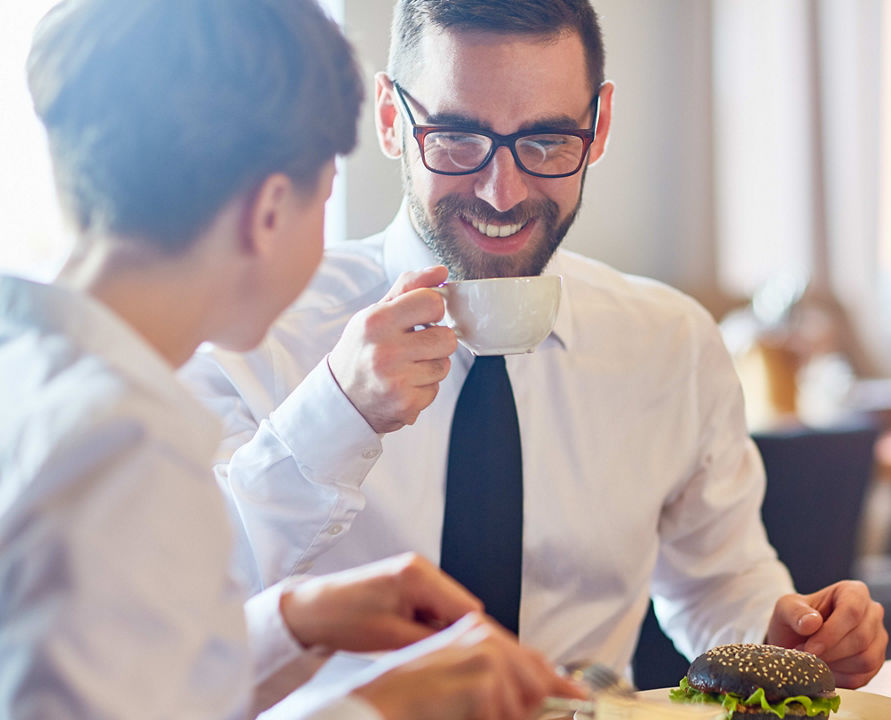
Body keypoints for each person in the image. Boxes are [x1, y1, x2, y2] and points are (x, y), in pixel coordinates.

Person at [182, 0, 889, 689]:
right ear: (394, 119)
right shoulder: (253, 328)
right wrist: (335, 412)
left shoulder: (671, 343)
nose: (502, 191)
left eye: (547, 142)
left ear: (599, 125)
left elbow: (720, 583)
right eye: (458, 138)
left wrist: (792, 634)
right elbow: (190, 606)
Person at [1, 0, 580, 718]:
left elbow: (133, 676)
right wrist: (384, 707)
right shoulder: (126, 443)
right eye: (326, 190)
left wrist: (292, 623)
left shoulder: (29, 372)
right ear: (270, 210)